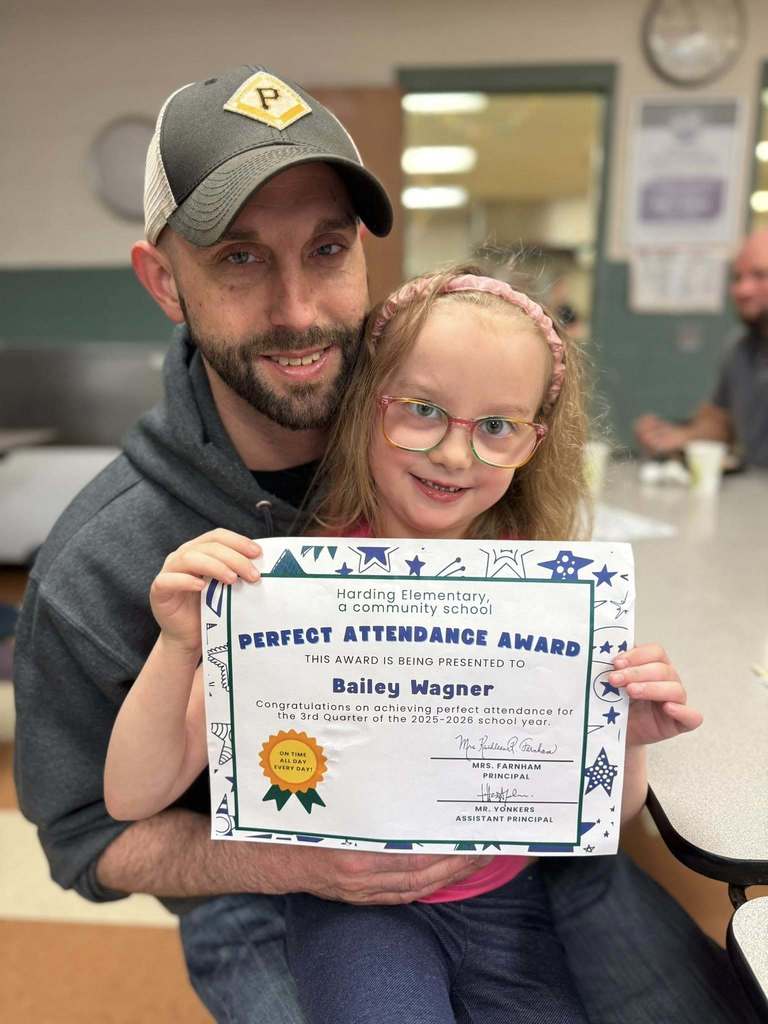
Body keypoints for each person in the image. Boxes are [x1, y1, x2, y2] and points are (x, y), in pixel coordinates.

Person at [12, 62, 759, 1024]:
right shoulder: (111, 563)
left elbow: (591, 783)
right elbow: (89, 835)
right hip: (263, 887)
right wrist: (298, 859)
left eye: (326, 249)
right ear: (165, 281)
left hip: (513, 867)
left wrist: (607, 727)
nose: (296, 308)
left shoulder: (444, 431)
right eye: (239, 258)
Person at [105, 267, 702, 1024]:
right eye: (423, 410)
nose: (455, 455)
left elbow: (603, 816)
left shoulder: (549, 595)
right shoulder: (280, 583)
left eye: (496, 426)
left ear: (534, 440)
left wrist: (629, 740)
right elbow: (131, 794)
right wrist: (178, 645)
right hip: (353, 917)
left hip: (505, 908)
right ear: (366, 406)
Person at [635, 229, 768, 468]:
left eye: (760, 275)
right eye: (737, 278)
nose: (743, 290)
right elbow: (719, 421)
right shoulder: (739, 348)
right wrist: (680, 436)